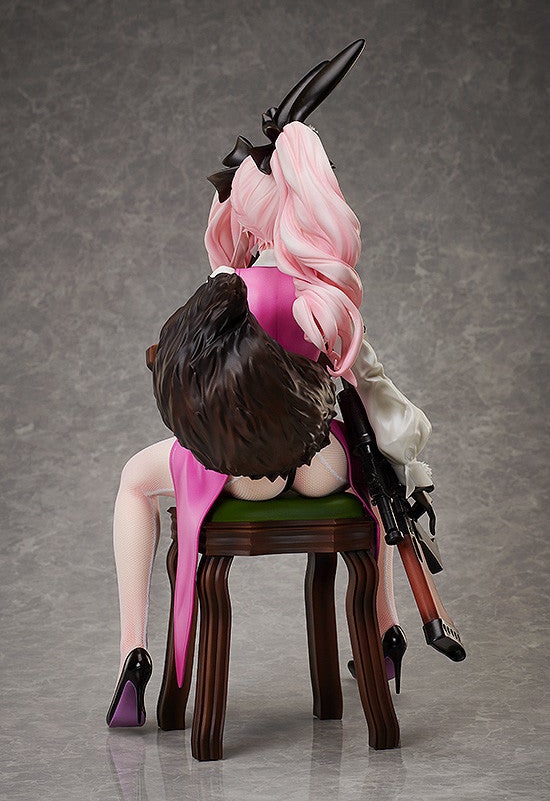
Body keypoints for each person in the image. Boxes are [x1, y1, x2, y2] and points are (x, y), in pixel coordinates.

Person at [106, 43, 432, 728]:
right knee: (372, 478)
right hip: (318, 463)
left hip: (241, 473)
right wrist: (407, 457)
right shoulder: (325, 291)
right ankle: (386, 633)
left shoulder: (228, 285)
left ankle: (134, 653)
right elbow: (366, 382)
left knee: (134, 482)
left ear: (250, 212)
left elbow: (199, 381)